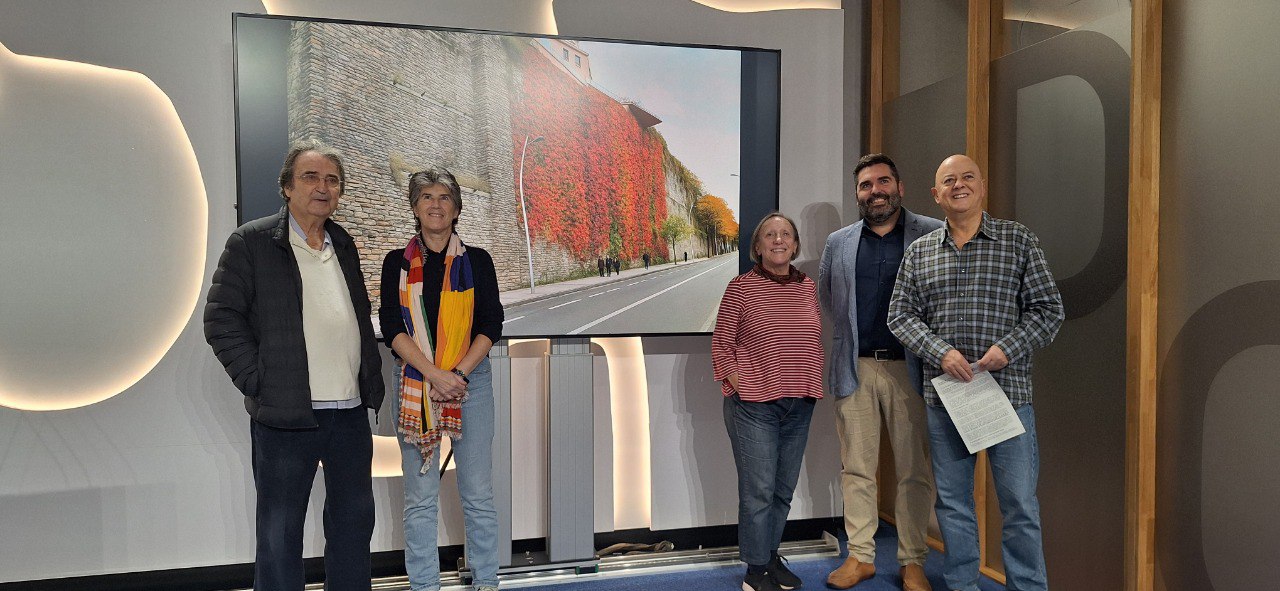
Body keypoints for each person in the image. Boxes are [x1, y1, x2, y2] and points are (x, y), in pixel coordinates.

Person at [205, 140, 384, 591]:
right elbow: (221, 319)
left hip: (348, 413)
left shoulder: (342, 243)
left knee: (352, 528)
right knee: (280, 534)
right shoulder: (251, 242)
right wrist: (261, 382)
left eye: (332, 180)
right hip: (286, 417)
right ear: (286, 187)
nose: (322, 188)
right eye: (310, 177)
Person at [888, 155, 1064, 591]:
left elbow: (1048, 311)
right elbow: (900, 316)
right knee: (952, 504)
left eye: (967, 177)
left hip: (1007, 397)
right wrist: (941, 352)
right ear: (936, 194)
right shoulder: (920, 252)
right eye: (949, 181)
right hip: (946, 399)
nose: (958, 185)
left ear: (982, 187)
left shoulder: (1018, 241)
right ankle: (963, 585)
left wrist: (1008, 348)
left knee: (1019, 505)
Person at [819, 154, 943, 591]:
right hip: (856, 369)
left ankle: (912, 561)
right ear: (858, 194)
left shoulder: (932, 233)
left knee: (914, 471)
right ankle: (861, 557)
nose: (875, 191)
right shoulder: (839, 242)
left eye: (882, 181)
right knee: (857, 469)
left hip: (913, 369)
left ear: (899, 186)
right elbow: (830, 299)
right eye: (866, 185)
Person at [379, 167, 504, 591]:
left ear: (456, 208)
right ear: (415, 207)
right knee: (420, 499)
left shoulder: (478, 261)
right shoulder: (396, 264)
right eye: (427, 197)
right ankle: (424, 587)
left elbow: (491, 322)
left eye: (444, 197)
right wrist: (435, 374)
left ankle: (487, 582)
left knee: (478, 495)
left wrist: (457, 375)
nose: (436, 204)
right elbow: (391, 326)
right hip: (416, 384)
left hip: (472, 383)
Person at [712, 212, 824, 591]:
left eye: (786, 235)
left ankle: (770, 557)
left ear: (795, 245)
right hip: (754, 406)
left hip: (800, 401)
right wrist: (740, 383)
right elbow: (722, 343)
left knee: (782, 489)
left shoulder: (807, 286)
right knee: (759, 490)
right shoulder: (741, 287)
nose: (779, 240)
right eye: (770, 235)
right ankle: (755, 571)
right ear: (757, 247)